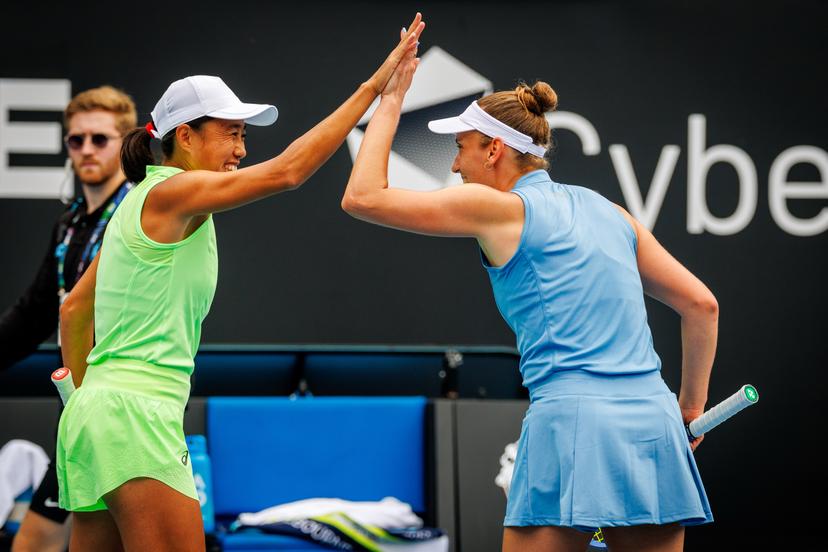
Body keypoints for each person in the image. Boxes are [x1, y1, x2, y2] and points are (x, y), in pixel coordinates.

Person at [55, 15, 425, 552]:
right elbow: (287, 172)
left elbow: (72, 313)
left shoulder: (135, 204)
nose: (241, 149)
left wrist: (86, 404)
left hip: (93, 421)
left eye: (244, 135)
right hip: (136, 418)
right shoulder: (172, 194)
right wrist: (376, 88)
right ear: (185, 136)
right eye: (231, 133)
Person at [341, 44, 717, 552]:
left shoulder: (496, 209)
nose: (455, 167)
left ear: (493, 149)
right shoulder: (612, 212)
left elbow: (361, 197)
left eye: (461, 149)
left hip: (572, 420)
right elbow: (702, 306)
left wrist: (390, 100)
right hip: (654, 424)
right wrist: (689, 410)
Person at [0, 85, 137, 552]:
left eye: (99, 138)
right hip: (76, 411)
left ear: (125, 143)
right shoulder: (69, 223)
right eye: (75, 140)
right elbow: (35, 313)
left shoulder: (141, 215)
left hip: (123, 410)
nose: (85, 149)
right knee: (34, 542)